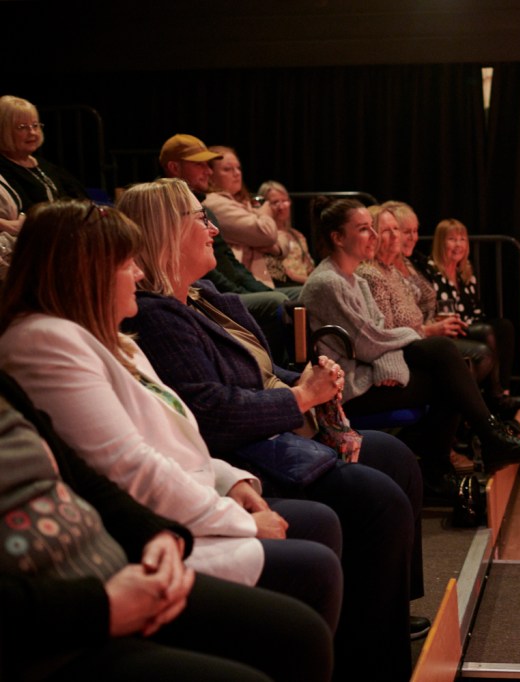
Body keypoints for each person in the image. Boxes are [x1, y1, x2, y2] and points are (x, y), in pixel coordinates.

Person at [0, 200, 348, 676]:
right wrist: (237, 520)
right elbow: (131, 466)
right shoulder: (46, 340)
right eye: (127, 263)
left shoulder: (113, 337)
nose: (139, 273)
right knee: (310, 580)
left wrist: (231, 482)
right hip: (145, 534)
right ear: (87, 273)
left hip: (176, 513)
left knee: (322, 533)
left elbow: (174, 434)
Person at [116, 179, 425, 680]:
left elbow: (260, 371)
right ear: (166, 231)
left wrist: (309, 379)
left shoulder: (203, 298)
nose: (214, 229)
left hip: (275, 432)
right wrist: (301, 397)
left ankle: (384, 615)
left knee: (396, 458)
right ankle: (367, 657)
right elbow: (211, 413)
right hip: (248, 452)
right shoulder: (157, 317)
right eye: (201, 219)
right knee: (377, 498)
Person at [0, 370, 334, 682]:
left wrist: (158, 532)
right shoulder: (47, 343)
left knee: (303, 629)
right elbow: (200, 422)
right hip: (63, 622)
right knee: (316, 559)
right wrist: (101, 607)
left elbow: (84, 475)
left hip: (126, 559)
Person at [299, 197, 520, 485]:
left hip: (369, 371)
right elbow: (370, 343)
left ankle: (455, 456)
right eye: (364, 229)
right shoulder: (328, 283)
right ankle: (464, 452)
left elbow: (378, 335)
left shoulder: (355, 280)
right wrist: (413, 336)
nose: (374, 235)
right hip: (349, 387)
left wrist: (390, 363)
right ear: (338, 237)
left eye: (372, 227)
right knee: (448, 368)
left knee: (453, 369)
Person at [159, 134, 293, 364]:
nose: (208, 171)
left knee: (287, 298)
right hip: (202, 294)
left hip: (224, 287)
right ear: (174, 167)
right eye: (199, 164)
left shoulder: (206, 206)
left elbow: (233, 264)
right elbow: (210, 275)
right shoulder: (168, 208)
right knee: (277, 301)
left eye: (208, 164)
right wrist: (237, 296)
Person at [425, 218, 520, 415]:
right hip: (449, 329)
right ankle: (496, 399)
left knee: (504, 327)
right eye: (452, 239)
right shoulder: (430, 272)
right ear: (441, 242)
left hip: (471, 324)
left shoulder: (465, 272)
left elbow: (477, 309)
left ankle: (504, 390)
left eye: (462, 239)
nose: (458, 245)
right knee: (486, 332)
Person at [205, 147, 298, 298]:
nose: (237, 173)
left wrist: (270, 244)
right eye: (227, 169)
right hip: (248, 284)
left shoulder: (245, 203)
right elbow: (268, 234)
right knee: (308, 293)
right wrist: (265, 215)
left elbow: (281, 241)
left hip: (263, 280)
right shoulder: (215, 203)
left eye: (238, 168)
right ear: (210, 173)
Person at [0, 95, 87, 208]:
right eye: (22, 127)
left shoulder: (44, 164)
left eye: (35, 125)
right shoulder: (3, 170)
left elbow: (80, 196)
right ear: (4, 130)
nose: (32, 132)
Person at [258, 180, 315, 287]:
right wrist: (310, 282)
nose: (281, 207)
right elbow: (283, 274)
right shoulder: (265, 237)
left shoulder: (297, 235)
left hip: (305, 285)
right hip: (286, 286)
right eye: (275, 202)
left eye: (284, 201)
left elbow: (309, 268)